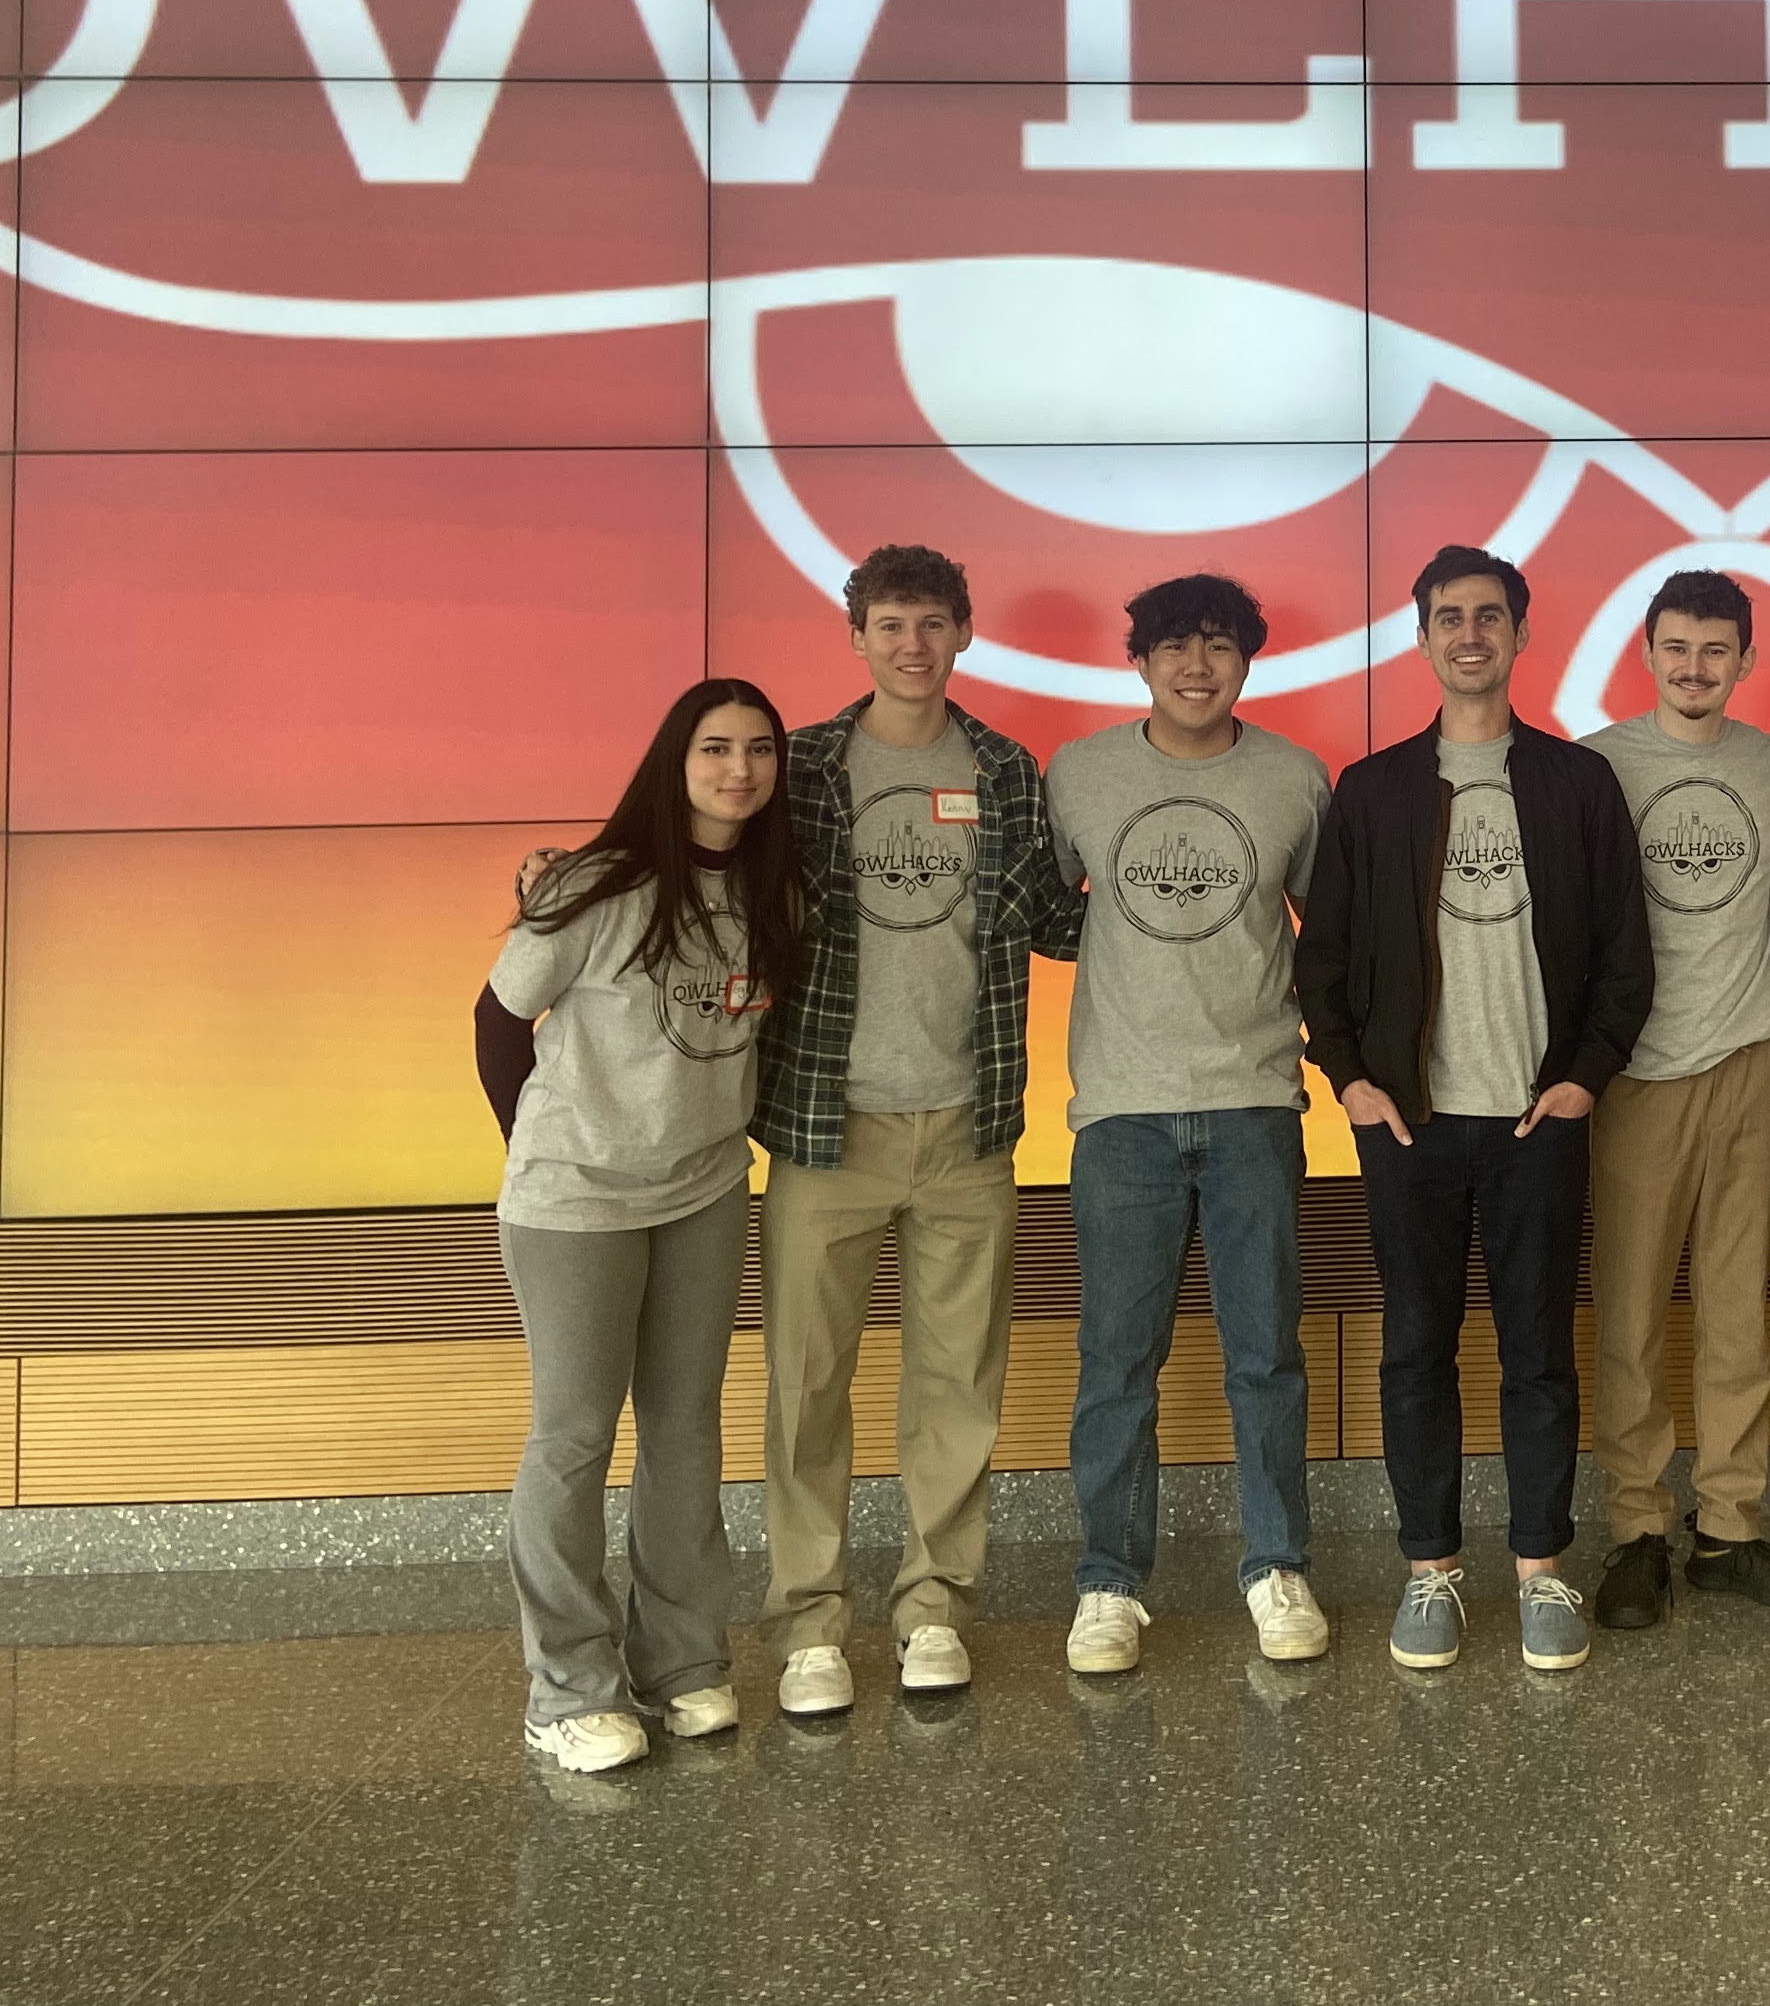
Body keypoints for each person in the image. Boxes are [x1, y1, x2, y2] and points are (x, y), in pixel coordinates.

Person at [1297, 545, 1654, 1674]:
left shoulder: (1575, 783)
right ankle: (1431, 1573)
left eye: (1488, 615)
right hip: (1409, 1126)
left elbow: (1624, 956)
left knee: (1540, 1354)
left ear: (1520, 634)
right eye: (1447, 616)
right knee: (1415, 1350)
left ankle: (1542, 1573)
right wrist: (1348, 1078)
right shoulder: (1375, 789)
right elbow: (1327, 958)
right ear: (1422, 636)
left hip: (1535, 1124)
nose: (1468, 634)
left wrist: (1585, 1077)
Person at [755, 544, 1085, 1716]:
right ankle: (810, 1621)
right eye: (890, 624)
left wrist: (1173, 896)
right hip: (820, 1123)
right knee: (805, 1385)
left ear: (963, 634)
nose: (912, 645)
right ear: (856, 637)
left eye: (932, 623)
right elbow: (704, 870)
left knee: (959, 1383)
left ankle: (935, 1605)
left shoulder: (1001, 768)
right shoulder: (795, 769)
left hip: (968, 1122)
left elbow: (1057, 920)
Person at [489, 678, 803, 1773]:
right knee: (574, 1436)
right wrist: (541, 1148)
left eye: (760, 750)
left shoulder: (777, 887)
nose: (739, 770)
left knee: (684, 1434)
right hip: (577, 1202)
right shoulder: (595, 884)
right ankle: (567, 1688)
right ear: (675, 760)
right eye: (716, 748)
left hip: (706, 1191)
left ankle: (682, 1665)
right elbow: (500, 1018)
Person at [1045, 573, 1336, 1676]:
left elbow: (1330, 927)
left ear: (1248, 661)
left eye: (1219, 645)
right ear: (1141, 661)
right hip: (1119, 1110)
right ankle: (1110, 1586)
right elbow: (1042, 908)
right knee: (1118, 1359)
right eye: (1175, 646)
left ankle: (1277, 1568)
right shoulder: (1080, 773)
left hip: (1258, 1098)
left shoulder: (1295, 779)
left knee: (1266, 1354)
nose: (1197, 665)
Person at [1583, 570, 1770, 1630]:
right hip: (1637, 1074)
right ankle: (1638, 1529)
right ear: (1645, 651)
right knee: (1631, 1316)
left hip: (1751, 1061)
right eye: (1676, 648)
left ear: (1745, 660)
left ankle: (1729, 1527)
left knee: (1738, 1315)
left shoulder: (1768, 761)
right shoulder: (1597, 766)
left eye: (1715, 651)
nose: (1695, 668)